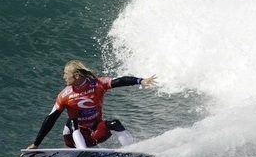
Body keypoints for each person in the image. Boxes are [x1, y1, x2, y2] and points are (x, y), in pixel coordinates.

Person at [26, 60, 158, 150]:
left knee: (114, 123)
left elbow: (119, 81)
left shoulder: (97, 84)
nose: (63, 77)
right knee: (72, 121)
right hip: (73, 137)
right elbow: (51, 119)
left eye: (66, 74)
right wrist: (36, 144)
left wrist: (141, 81)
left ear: (76, 75)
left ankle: (132, 152)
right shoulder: (64, 95)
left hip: (94, 134)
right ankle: (82, 152)